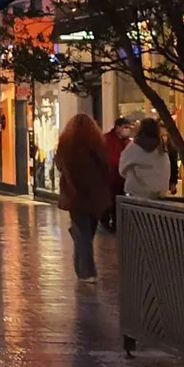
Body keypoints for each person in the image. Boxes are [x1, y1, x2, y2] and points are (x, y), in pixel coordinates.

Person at [56, 113, 113, 283]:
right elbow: (106, 166)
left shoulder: (66, 144)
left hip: (75, 195)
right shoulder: (97, 144)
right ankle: (86, 270)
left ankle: (84, 270)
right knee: (88, 232)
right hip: (94, 195)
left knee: (83, 232)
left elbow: (60, 165)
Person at [119, 119, 169, 200]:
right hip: (158, 195)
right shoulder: (162, 149)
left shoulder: (133, 148)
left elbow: (122, 169)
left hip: (136, 194)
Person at [102, 116, 132, 232]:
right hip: (111, 178)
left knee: (118, 204)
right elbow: (110, 158)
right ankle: (107, 223)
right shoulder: (107, 140)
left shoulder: (128, 142)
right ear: (117, 128)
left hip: (122, 179)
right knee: (110, 202)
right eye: (125, 127)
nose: (127, 130)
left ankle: (116, 225)